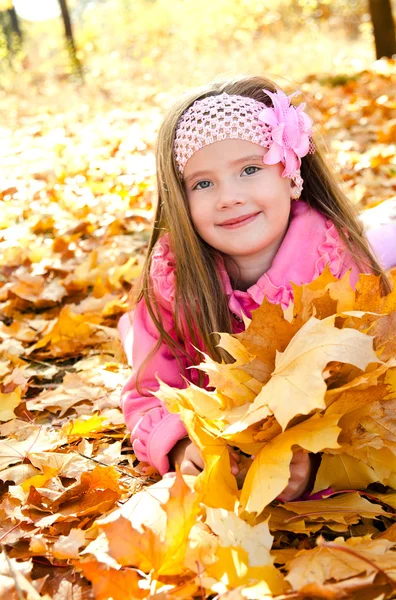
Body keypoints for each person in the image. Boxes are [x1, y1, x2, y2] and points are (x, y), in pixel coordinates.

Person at [118, 75, 394, 501]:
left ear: (289, 172)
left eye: (250, 169)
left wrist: (319, 463)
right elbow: (147, 392)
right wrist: (178, 445)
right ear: (180, 200)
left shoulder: (343, 273)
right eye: (203, 183)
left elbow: (377, 393)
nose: (229, 197)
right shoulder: (172, 286)